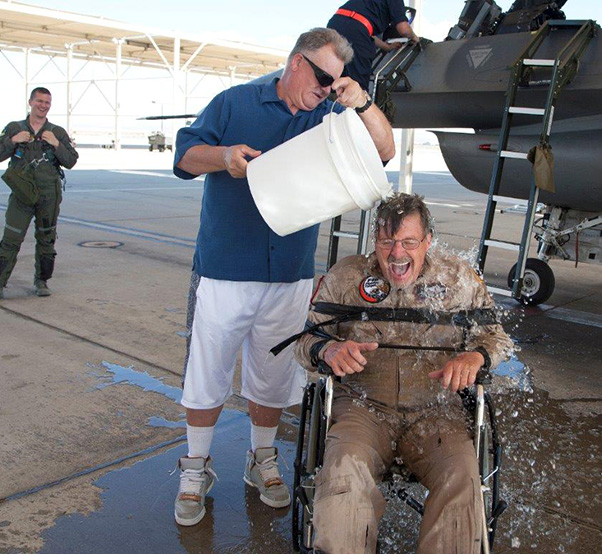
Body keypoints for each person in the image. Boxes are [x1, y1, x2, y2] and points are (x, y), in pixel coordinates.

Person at [172, 27, 395, 527]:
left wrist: (360, 103)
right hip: (226, 270)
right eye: (321, 77)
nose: (325, 87)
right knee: (206, 373)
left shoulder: (330, 114)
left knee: (273, 378)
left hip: (291, 275)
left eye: (335, 80)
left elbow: (383, 153)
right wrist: (224, 157)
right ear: (295, 62)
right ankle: (195, 467)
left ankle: (262, 459)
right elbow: (184, 156)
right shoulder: (234, 102)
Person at [294, 193, 514, 553]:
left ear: (428, 240)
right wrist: (328, 349)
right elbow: (305, 341)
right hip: (362, 408)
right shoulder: (346, 277)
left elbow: (498, 338)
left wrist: (475, 357)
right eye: (387, 242)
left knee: (461, 475)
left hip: (436, 411)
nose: (397, 254)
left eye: (409, 242)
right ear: (375, 242)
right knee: (343, 472)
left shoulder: (457, 279)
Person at [0, 87, 78, 299]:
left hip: (48, 195)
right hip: (22, 194)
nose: (43, 106)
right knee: (11, 238)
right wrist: (13, 141)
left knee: (46, 239)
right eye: (40, 101)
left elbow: (71, 160)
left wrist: (55, 143)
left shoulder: (57, 132)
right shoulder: (14, 128)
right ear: (31, 102)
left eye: (47, 102)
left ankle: (42, 280)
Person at [327, 0, 420, 91]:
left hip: (334, 25)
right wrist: (415, 37)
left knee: (332, 80)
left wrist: (387, 47)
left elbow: (364, 28)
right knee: (358, 86)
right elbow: (403, 29)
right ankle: (358, 105)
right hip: (357, 31)